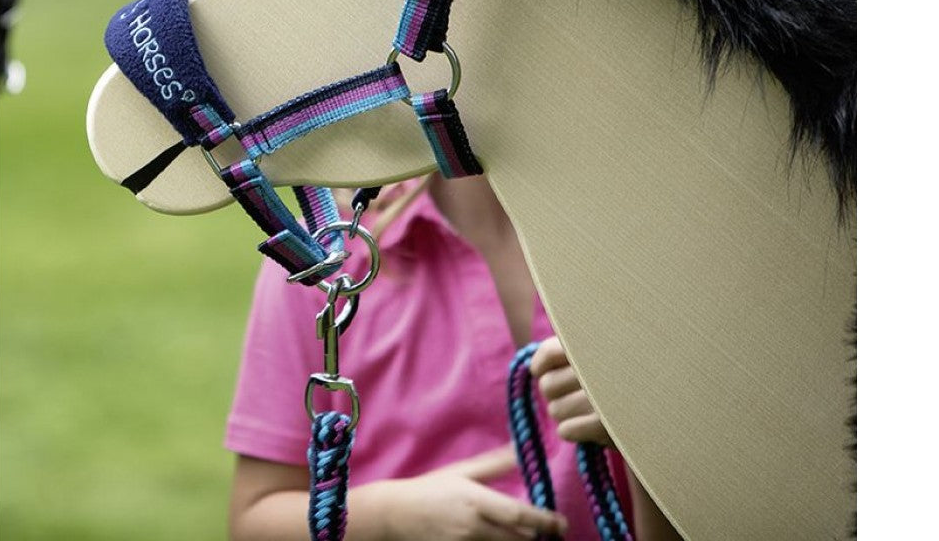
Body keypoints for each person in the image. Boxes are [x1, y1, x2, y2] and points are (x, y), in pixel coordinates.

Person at [225, 173, 683, 540]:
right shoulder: (326, 263)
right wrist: (391, 520)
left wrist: (646, 443)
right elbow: (254, 520)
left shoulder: (657, 246)